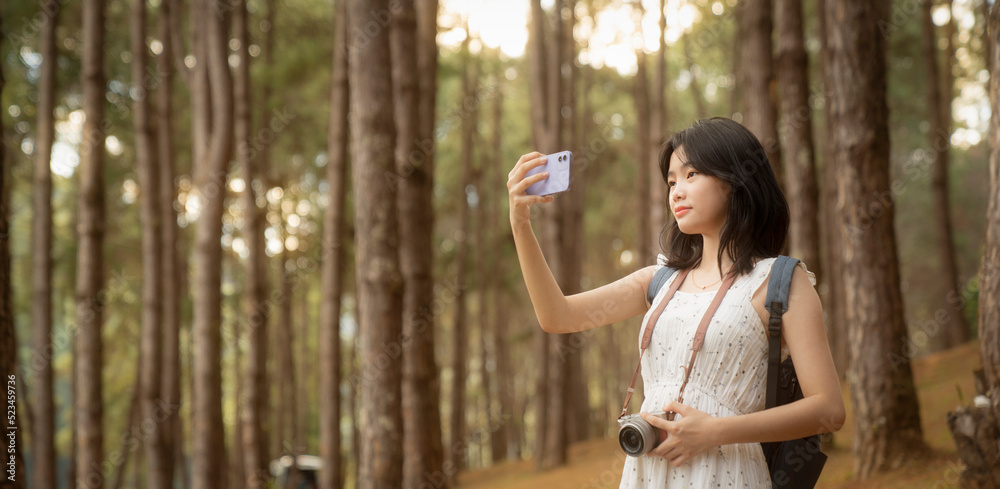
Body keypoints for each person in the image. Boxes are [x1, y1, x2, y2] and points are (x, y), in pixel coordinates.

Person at [506, 117, 845, 488]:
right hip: (648, 475)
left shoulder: (780, 281)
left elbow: (828, 409)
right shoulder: (661, 279)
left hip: (728, 475)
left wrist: (716, 431)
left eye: (692, 174)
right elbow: (558, 316)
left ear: (734, 180)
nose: (676, 192)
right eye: (671, 181)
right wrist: (520, 222)